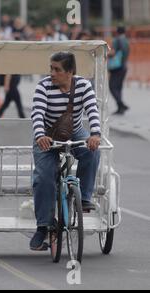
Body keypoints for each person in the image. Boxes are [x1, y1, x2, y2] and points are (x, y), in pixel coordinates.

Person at [30, 52, 101, 251]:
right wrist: (39, 136)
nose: (52, 73)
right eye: (50, 68)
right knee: (43, 176)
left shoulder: (83, 86)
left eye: (57, 70)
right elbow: (37, 113)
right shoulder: (43, 87)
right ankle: (43, 226)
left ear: (70, 72)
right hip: (47, 133)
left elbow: (92, 110)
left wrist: (95, 134)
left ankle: (84, 197)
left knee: (93, 151)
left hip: (74, 130)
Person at [108, 26, 130, 115]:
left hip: (116, 67)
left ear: (117, 32)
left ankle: (121, 104)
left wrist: (106, 54)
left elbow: (112, 52)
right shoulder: (126, 41)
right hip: (124, 66)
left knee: (112, 86)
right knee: (119, 87)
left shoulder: (116, 40)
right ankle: (120, 108)